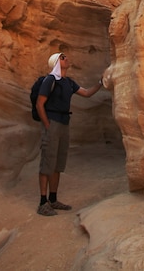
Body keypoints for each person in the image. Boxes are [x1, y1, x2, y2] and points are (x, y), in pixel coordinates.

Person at [36, 51, 104, 216]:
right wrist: (47, 124)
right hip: (52, 123)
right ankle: (43, 202)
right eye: (63, 57)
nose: (67, 58)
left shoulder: (68, 82)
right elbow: (40, 104)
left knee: (58, 163)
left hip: (64, 124)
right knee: (47, 163)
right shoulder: (50, 80)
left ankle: (53, 199)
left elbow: (87, 93)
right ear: (57, 62)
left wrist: (101, 82)